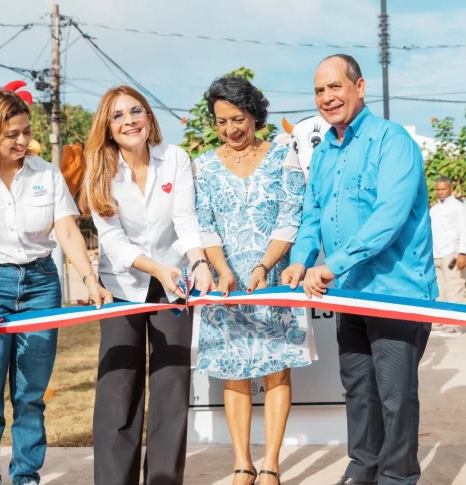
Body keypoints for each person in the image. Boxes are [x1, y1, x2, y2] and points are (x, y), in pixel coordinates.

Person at [0, 89, 112, 485]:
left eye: (26, 132)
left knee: (30, 394)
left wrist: (90, 277)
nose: (22, 142)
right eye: (11, 134)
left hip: (39, 285)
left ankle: (25, 476)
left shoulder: (47, 173)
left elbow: (67, 230)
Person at [282, 54, 435, 485]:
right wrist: (300, 259)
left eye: (335, 86)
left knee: (395, 396)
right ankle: (362, 468)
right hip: (348, 293)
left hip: (395, 291)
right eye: (319, 90)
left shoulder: (393, 141)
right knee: (358, 390)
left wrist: (330, 266)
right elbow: (312, 213)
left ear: (360, 87)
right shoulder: (325, 151)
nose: (327, 97)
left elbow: (387, 218)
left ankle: (398, 477)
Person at [81, 85, 213, 485]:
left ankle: (163, 479)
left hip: (173, 284)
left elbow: (186, 219)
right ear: (107, 127)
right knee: (119, 387)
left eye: (135, 111)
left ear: (149, 117)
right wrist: (155, 268)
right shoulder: (97, 169)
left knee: (171, 386)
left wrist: (200, 261)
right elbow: (113, 241)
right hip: (123, 283)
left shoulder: (175, 158)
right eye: (118, 115)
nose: (129, 121)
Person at [193, 76, 314, 485]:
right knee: (234, 371)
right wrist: (221, 269)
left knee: (276, 370)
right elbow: (204, 224)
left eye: (238, 118)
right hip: (224, 282)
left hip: (274, 278)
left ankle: (272, 465)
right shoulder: (204, 166)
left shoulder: (284, 156)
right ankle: (242, 464)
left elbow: (290, 216)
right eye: (221, 121)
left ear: (255, 115)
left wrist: (264, 266)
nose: (231, 129)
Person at [429, 175, 466, 337]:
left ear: (450, 188)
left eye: (443, 188)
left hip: (452, 254)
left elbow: (464, 230)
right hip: (436, 255)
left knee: (454, 289)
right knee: (439, 291)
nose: (440, 192)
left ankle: (454, 326)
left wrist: (462, 253)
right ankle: (438, 324)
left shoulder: (458, 207)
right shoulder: (433, 210)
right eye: (438, 189)